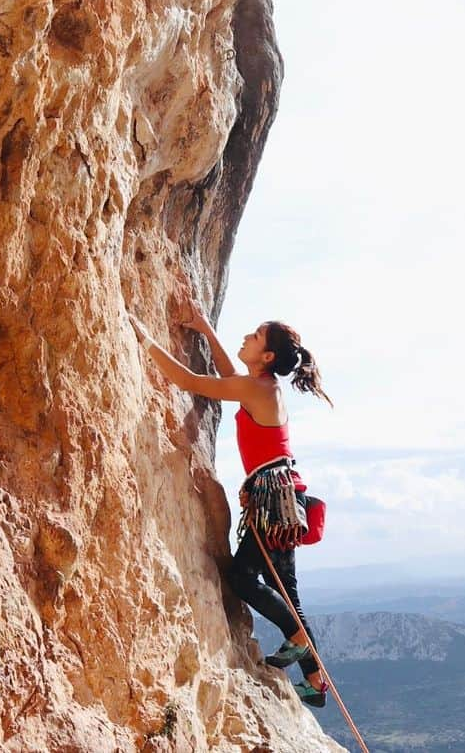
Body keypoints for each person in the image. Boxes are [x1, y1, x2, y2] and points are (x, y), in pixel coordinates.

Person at [128, 295, 333, 708]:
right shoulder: (259, 387)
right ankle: (314, 681)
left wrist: (144, 339)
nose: (246, 336)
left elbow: (190, 381)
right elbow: (228, 377)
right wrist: (204, 328)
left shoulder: (258, 387)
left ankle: (298, 641)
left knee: (243, 579)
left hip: (274, 499)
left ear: (268, 355)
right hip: (282, 495)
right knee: (285, 590)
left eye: (255, 336)